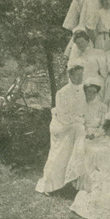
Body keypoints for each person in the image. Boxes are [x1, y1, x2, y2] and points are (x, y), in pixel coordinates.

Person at [35, 62, 86, 194]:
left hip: (76, 126)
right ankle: (50, 185)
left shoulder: (83, 90)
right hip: (63, 126)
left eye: (81, 75)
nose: (80, 78)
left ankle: (72, 180)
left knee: (80, 140)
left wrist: (81, 120)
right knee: (61, 152)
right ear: (70, 75)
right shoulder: (62, 92)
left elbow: (84, 109)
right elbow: (63, 114)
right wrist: (78, 120)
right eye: (77, 75)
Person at [68, 29, 107, 97]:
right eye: (78, 43)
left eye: (82, 41)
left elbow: (104, 73)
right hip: (82, 85)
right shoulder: (76, 58)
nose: (80, 44)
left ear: (87, 40)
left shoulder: (98, 53)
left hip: (96, 84)